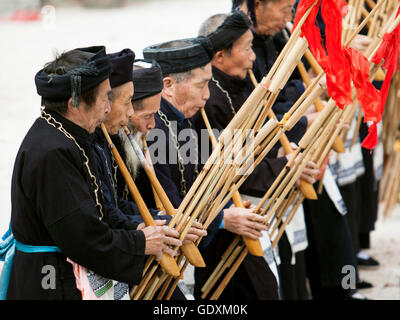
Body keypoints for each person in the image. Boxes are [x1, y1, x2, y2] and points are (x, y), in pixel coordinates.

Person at [2, 46, 180, 300]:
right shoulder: (52, 151)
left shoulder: (73, 137)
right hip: (50, 280)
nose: (108, 109)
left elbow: (102, 209)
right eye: (105, 98)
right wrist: (139, 243)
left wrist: (144, 227)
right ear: (74, 102)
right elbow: (81, 237)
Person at [196, 10, 318, 300]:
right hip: (228, 222)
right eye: (247, 49)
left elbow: (255, 145)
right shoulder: (209, 102)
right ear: (220, 57)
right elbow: (230, 167)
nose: (253, 58)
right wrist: (284, 168)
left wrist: (283, 155)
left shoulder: (242, 86)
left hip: (257, 209)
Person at [142, 36, 273, 299]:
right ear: (168, 85)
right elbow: (171, 204)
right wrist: (224, 219)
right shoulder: (154, 129)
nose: (207, 95)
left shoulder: (183, 117)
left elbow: (208, 172)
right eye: (202, 85)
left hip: (202, 230)